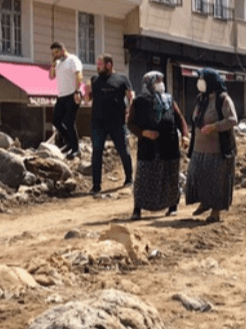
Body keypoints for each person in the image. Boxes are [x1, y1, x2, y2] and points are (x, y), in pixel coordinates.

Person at [126, 71, 187, 220]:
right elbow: (130, 124)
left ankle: (172, 206)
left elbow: (179, 118)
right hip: (148, 147)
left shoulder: (169, 99)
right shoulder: (139, 102)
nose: (160, 84)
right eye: (157, 81)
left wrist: (185, 135)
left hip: (169, 145)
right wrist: (144, 133)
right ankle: (137, 209)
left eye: (161, 80)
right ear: (148, 84)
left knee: (170, 176)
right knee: (143, 178)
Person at [186, 69, 238, 222]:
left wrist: (214, 126)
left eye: (202, 79)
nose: (199, 82)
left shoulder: (223, 99)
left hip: (218, 150)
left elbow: (233, 120)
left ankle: (216, 211)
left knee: (217, 180)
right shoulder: (200, 98)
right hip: (198, 148)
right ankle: (205, 202)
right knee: (198, 176)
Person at [85, 54, 134, 195]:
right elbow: (88, 99)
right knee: (96, 153)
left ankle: (129, 179)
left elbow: (131, 95)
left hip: (117, 122)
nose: (97, 67)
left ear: (109, 65)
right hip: (98, 123)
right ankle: (96, 186)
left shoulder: (122, 78)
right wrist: (86, 93)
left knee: (123, 150)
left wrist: (131, 109)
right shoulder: (94, 80)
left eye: (100, 64)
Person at [49, 42, 83, 159]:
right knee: (55, 120)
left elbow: (79, 75)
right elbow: (51, 76)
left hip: (72, 94)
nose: (55, 55)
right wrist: (53, 64)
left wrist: (77, 91)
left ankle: (75, 148)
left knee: (69, 121)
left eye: (57, 52)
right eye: (53, 53)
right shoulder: (58, 63)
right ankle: (69, 141)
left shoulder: (72, 60)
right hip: (61, 96)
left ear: (62, 50)